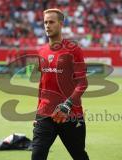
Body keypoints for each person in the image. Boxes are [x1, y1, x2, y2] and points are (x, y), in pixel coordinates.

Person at [31, 9, 89, 160]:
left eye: (51, 22)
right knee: (37, 155)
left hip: (70, 115)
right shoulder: (41, 51)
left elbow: (82, 82)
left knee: (79, 156)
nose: (47, 26)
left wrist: (67, 105)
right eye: (45, 22)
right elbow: (42, 84)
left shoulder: (74, 50)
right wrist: (37, 112)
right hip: (45, 114)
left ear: (61, 24)